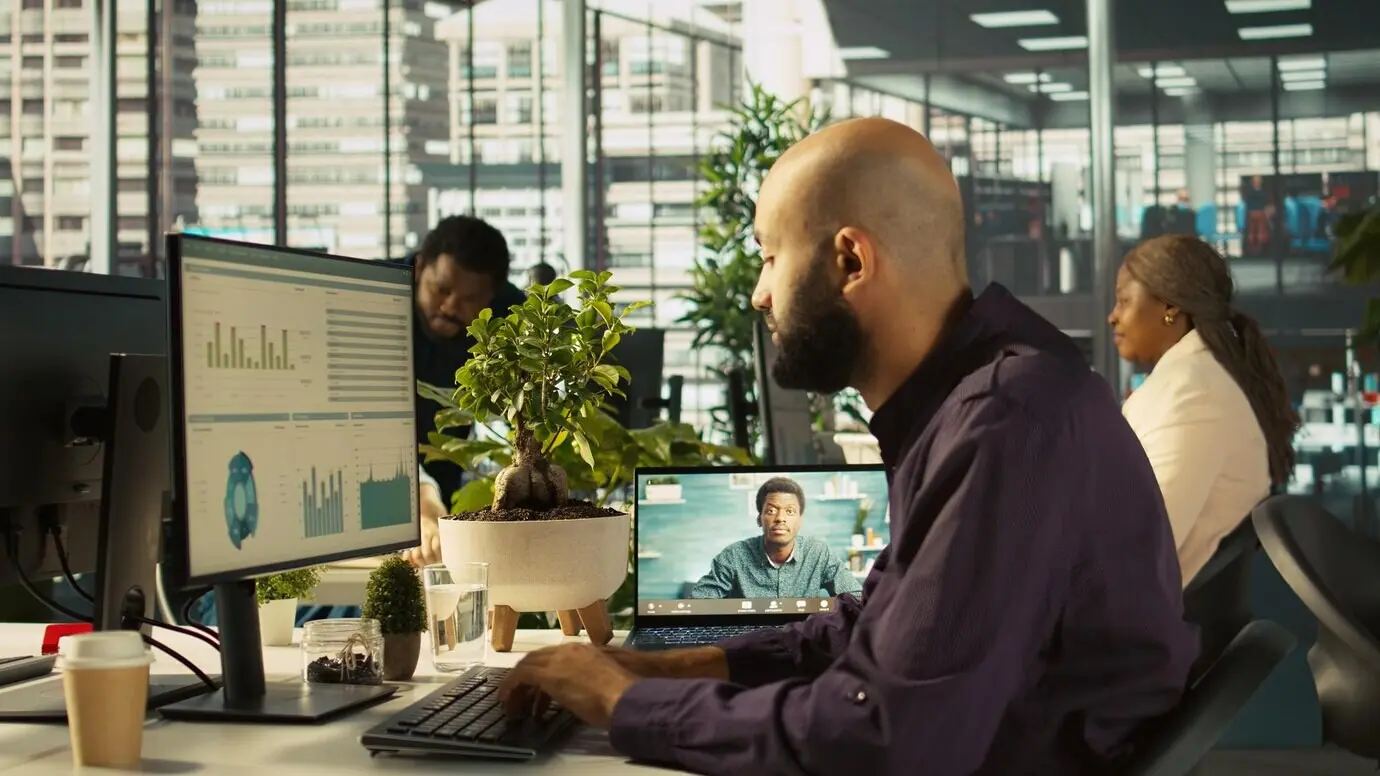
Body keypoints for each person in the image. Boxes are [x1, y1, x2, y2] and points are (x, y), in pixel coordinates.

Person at [496, 118, 1198, 775]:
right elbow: (878, 630)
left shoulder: (1004, 423)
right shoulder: (976, 403)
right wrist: (661, 667)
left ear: (851, 261)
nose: (759, 296)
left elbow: (882, 735)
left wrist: (623, 705)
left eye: (770, 259)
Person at [1109, 234, 1299, 585]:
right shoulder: (1196, 380)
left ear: (1170, 307)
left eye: (1123, 301)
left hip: (1142, 624)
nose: (1112, 317)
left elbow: (1141, 544)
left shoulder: (1192, 395)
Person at [400, 215, 525, 567]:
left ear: (491, 297)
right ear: (420, 267)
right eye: (441, 289)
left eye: (469, 298)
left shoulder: (511, 316)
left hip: (447, 468)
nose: (451, 306)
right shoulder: (377, 296)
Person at [690, 477, 860, 600]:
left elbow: (856, 599)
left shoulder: (818, 554)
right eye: (771, 511)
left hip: (801, 639)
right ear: (759, 519)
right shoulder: (734, 556)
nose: (780, 518)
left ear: (800, 521)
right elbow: (699, 602)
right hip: (748, 640)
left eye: (790, 511)